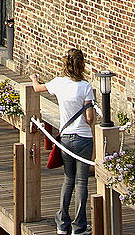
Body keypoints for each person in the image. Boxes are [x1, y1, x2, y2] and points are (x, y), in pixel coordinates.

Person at [31, 50, 95, 235]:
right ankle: (79, 226)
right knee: (82, 182)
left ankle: (62, 223)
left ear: (65, 64)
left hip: (66, 138)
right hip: (84, 138)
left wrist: (34, 77)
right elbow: (89, 118)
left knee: (68, 180)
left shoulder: (58, 83)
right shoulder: (85, 87)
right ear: (82, 65)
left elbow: (37, 88)